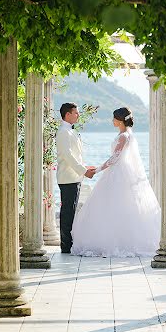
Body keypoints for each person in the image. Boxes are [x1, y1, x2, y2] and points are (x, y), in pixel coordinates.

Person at [71, 107, 161, 257]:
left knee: (112, 205)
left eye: (114, 118)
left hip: (118, 172)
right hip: (121, 172)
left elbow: (115, 158)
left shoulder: (124, 136)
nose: (112, 121)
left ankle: (116, 241)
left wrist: (98, 169)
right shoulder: (127, 135)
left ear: (119, 121)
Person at [56, 102, 96, 253]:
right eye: (76, 113)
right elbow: (68, 156)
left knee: (71, 211)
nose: (78, 115)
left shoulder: (70, 131)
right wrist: (83, 171)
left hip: (75, 177)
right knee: (67, 212)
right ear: (67, 114)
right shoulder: (63, 132)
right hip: (68, 178)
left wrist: (84, 168)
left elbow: (76, 155)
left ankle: (69, 244)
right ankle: (66, 246)